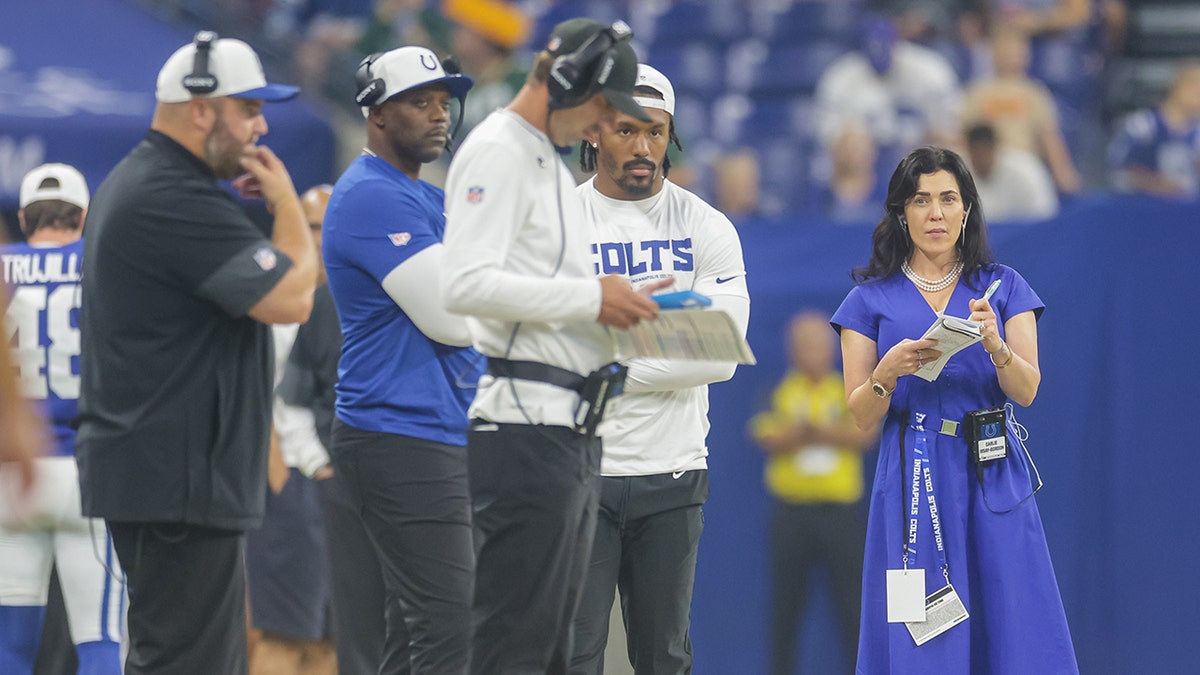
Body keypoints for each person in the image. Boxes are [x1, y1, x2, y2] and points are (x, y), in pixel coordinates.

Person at [75, 32, 317, 675]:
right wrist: (288, 204)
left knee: (184, 656)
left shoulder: (148, 182)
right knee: (190, 662)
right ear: (201, 108)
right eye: (250, 109)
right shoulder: (169, 195)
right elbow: (293, 296)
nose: (261, 129)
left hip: (166, 474)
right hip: (176, 480)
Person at [440, 17, 668, 674]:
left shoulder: (545, 161)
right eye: (601, 109)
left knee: (548, 648)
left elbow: (542, 287)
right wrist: (592, 299)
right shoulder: (498, 151)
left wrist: (609, 300)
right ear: (564, 81)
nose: (603, 128)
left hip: (568, 428)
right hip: (524, 427)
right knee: (514, 641)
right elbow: (465, 282)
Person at [830, 146, 1077, 672]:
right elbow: (860, 414)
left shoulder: (1003, 286)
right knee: (920, 631)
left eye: (948, 199)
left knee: (1012, 614)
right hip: (913, 476)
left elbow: (1027, 389)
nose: (935, 213)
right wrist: (886, 374)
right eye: (921, 201)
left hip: (991, 469)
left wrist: (996, 346)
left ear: (967, 209)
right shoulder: (868, 301)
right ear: (902, 212)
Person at [568, 64, 750, 675]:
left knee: (664, 657)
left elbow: (721, 355)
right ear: (594, 131)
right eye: (625, 130)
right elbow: (541, 348)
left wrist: (608, 351)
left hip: (672, 472)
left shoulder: (707, 226)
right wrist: (672, 334)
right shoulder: (556, 224)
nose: (642, 146)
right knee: (570, 656)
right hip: (576, 470)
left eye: (655, 131)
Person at [322, 45, 481, 674]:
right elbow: (453, 318)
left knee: (413, 629)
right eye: (421, 102)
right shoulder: (371, 195)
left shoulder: (422, 197)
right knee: (453, 623)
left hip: (429, 429)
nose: (439, 115)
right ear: (377, 114)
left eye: (444, 102)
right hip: (398, 433)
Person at [1, 163, 125, 675]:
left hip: (13, 472)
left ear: (26, 217)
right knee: (98, 641)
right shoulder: (105, 265)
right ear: (85, 215)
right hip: (85, 466)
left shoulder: (4, 266)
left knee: (9, 645)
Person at [749, 310, 876, 675]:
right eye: (803, 345)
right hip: (792, 514)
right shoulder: (777, 389)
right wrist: (827, 431)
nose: (811, 353)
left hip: (840, 514)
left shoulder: (849, 390)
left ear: (832, 349)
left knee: (852, 606)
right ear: (791, 350)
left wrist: (807, 430)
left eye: (818, 345)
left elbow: (864, 434)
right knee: (786, 609)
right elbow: (768, 437)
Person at [245, 185, 338, 675]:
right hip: (286, 482)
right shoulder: (272, 299)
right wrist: (274, 465)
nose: (321, 240)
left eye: (328, 227)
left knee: (333, 635)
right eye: (312, 228)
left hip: (339, 480)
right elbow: (256, 393)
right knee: (283, 631)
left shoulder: (355, 297)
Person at [960, 26, 1081, 195]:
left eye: (1015, 50)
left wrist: (1063, 173)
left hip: (1025, 165)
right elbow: (964, 136)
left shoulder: (1035, 93)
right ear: (993, 52)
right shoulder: (977, 92)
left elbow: (1049, 138)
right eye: (1004, 49)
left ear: (1026, 55)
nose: (1009, 55)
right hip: (986, 169)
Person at [1107, 61, 1200, 196]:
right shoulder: (1142, 127)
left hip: (1188, 211)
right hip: (1146, 208)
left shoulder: (1197, 132)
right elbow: (1120, 170)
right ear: (1177, 88)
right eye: (1196, 90)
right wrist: (1156, 183)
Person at [964, 123, 1059, 222]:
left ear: (995, 148)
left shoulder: (1025, 171)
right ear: (969, 150)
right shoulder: (958, 175)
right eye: (976, 152)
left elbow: (1044, 215)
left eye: (985, 150)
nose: (981, 158)